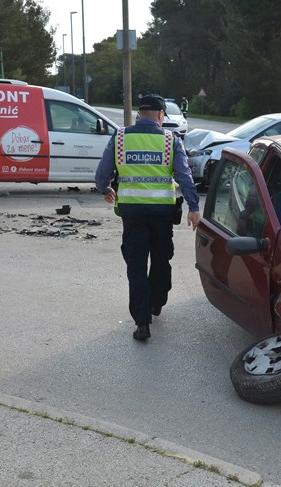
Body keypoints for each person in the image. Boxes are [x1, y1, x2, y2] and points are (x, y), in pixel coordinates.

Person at [95, 94, 200, 341]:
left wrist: (105, 189)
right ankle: (157, 303)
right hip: (162, 214)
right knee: (161, 260)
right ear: (161, 115)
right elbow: (185, 176)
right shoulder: (170, 139)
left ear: (139, 114)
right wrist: (194, 207)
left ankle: (142, 324)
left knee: (136, 266)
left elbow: (102, 173)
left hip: (132, 214)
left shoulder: (120, 137)